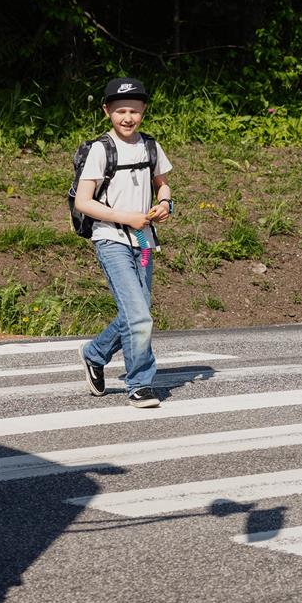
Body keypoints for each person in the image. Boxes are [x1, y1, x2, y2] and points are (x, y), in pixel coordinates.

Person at [75, 76, 173, 407]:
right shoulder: (101, 150)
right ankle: (140, 384)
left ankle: (95, 353)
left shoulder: (150, 146)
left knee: (139, 312)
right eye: (120, 111)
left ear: (143, 111)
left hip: (144, 241)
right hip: (111, 238)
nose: (127, 118)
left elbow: (163, 184)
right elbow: (83, 202)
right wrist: (125, 217)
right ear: (107, 112)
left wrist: (165, 204)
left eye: (134, 110)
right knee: (139, 315)